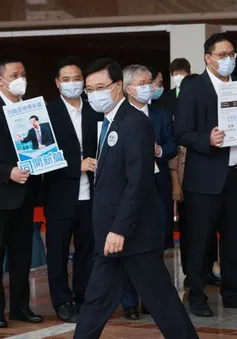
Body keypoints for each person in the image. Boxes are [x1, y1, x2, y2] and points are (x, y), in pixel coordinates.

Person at [74, 58, 198, 339]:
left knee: (162, 302)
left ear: (118, 87)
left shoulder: (134, 123)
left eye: (100, 87)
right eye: (89, 89)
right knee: (96, 301)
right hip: (111, 237)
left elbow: (138, 182)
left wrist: (119, 229)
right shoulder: (109, 122)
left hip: (132, 236)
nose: (94, 94)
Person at [175, 32, 237, 317]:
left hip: (234, 175)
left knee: (233, 239)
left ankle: (232, 292)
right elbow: (182, 132)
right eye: (222, 55)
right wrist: (206, 140)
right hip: (204, 179)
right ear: (208, 58)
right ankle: (197, 294)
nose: (228, 60)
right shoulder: (193, 88)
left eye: (232, 54)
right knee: (200, 240)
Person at [44, 56, 102, 323]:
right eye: (66, 79)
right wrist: (75, 166)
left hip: (91, 195)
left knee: (87, 250)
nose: (72, 83)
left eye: (77, 78)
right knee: (57, 252)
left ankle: (83, 296)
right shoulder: (47, 114)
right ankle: (62, 300)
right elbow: (40, 158)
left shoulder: (95, 111)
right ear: (57, 83)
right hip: (60, 194)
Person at [120, 64, 177, 320]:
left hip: (158, 187)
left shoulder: (161, 115)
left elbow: (173, 145)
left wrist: (158, 151)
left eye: (149, 83)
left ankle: (152, 300)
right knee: (130, 245)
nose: (148, 88)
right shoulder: (118, 117)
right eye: (142, 84)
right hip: (129, 190)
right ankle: (129, 301)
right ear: (127, 88)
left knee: (155, 245)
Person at [0, 57, 43, 328]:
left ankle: (20, 307)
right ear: (1, 80)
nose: (21, 78)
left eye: (24, 73)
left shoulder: (31, 109)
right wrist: (7, 173)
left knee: (21, 256)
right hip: (2, 194)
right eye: (15, 74)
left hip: (26, 195)